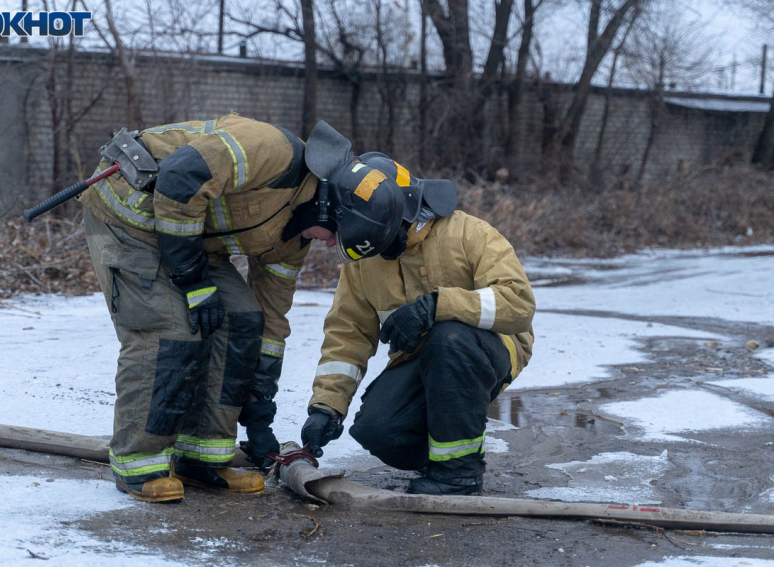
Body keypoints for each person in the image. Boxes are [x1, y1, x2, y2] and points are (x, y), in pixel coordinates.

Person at [79, 115, 408, 501]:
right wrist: (193, 281)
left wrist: (259, 408)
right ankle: (137, 461)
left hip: (186, 236)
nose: (328, 243)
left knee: (242, 320)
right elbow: (180, 177)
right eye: (336, 235)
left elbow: (271, 320)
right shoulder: (271, 150)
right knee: (171, 331)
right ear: (331, 209)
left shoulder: (294, 240)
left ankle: (201, 457)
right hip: (129, 215)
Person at [300, 151, 536, 496]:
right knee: (377, 430)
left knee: (449, 339)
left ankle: (459, 473)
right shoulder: (365, 259)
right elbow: (347, 334)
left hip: (488, 350)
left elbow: (519, 303)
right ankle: (446, 447)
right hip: (420, 360)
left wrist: (437, 306)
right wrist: (326, 407)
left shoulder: (469, 233)